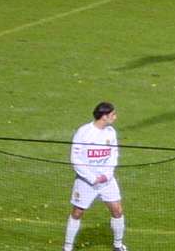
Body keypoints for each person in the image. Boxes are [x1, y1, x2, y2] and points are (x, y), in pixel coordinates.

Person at [63, 102, 127, 251]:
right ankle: (67, 248)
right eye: (113, 115)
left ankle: (118, 246)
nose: (115, 117)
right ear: (104, 116)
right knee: (77, 212)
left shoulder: (111, 132)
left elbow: (114, 154)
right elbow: (75, 159)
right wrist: (92, 178)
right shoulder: (83, 132)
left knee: (117, 210)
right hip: (86, 181)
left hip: (107, 180)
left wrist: (107, 174)